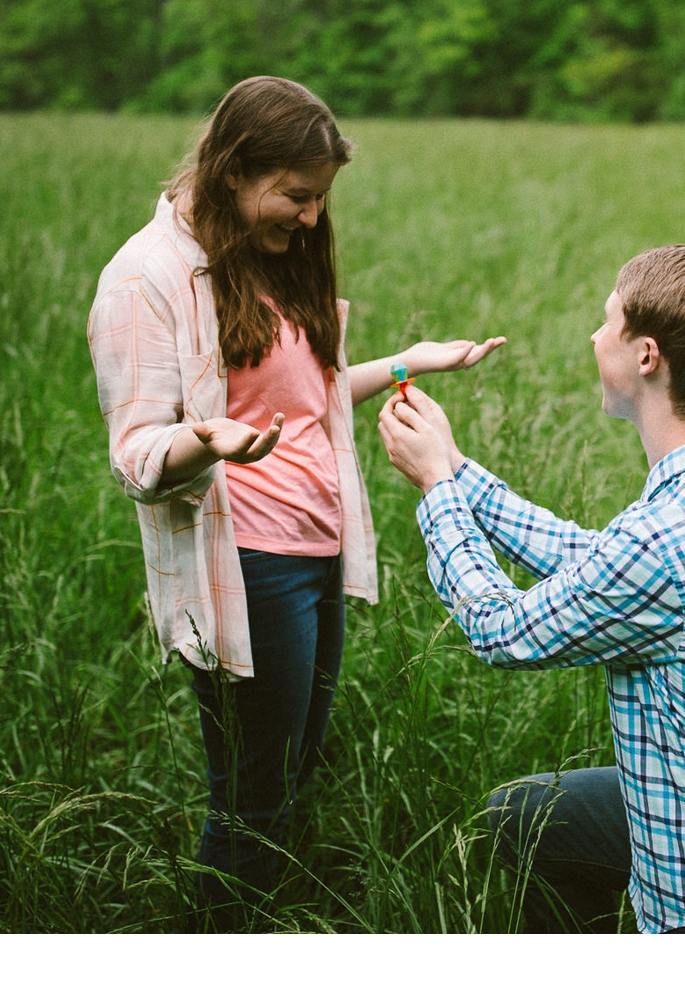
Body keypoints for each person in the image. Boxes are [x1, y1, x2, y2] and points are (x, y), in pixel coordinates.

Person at [87, 75, 503, 927]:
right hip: (247, 565)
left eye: (321, 200)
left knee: (294, 768)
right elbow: (136, 456)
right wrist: (205, 441)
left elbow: (300, 400)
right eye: (297, 196)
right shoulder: (145, 280)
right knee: (252, 798)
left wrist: (406, 362)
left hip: (313, 553)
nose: (312, 219)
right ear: (236, 170)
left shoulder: (267, 256)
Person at [376, 244, 685, 934]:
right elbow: (605, 570)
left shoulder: (660, 544)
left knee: (520, 823)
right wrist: (459, 469)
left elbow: (500, 629)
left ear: (646, 356)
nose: (593, 336)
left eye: (608, 322)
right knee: (520, 820)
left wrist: (435, 490)